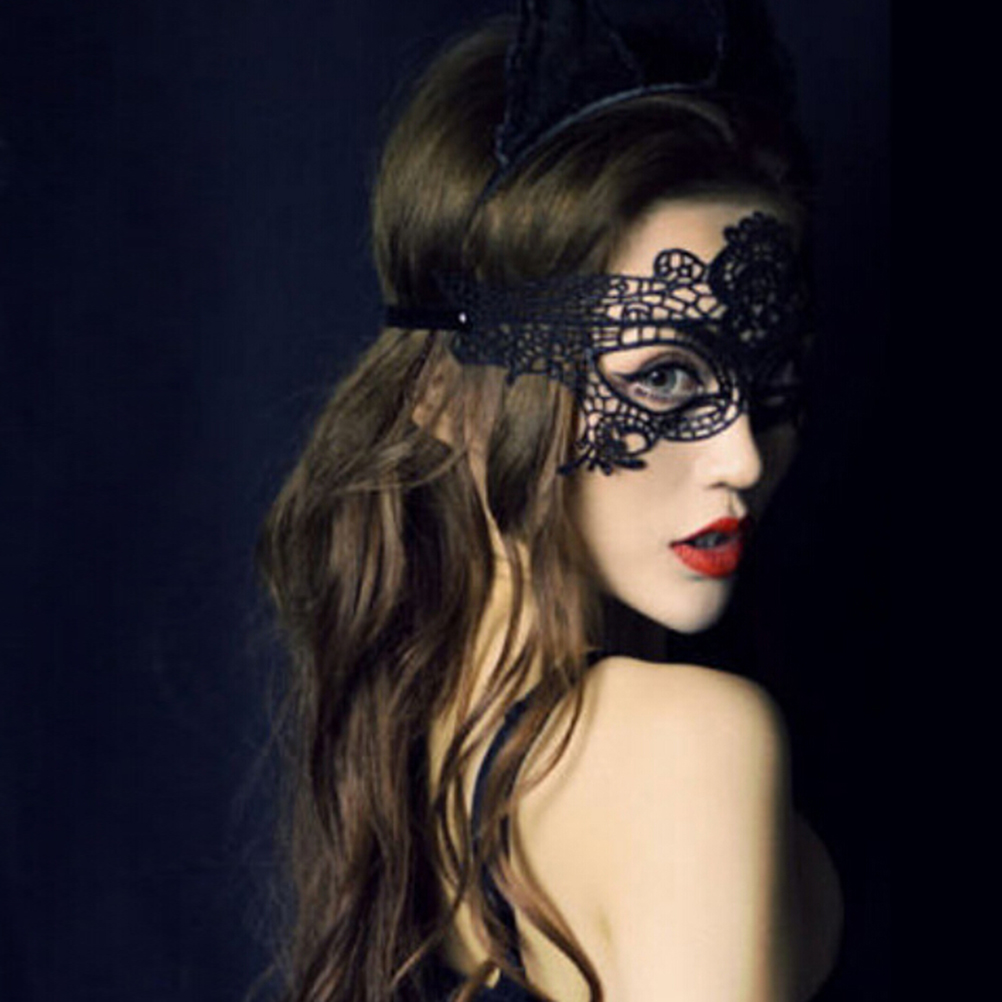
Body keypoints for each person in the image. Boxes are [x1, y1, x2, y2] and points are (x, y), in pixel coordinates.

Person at [257, 2, 843, 1000]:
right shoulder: (686, 745)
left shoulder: (420, 739)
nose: (743, 457)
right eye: (665, 379)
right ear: (448, 399)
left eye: (772, 377)